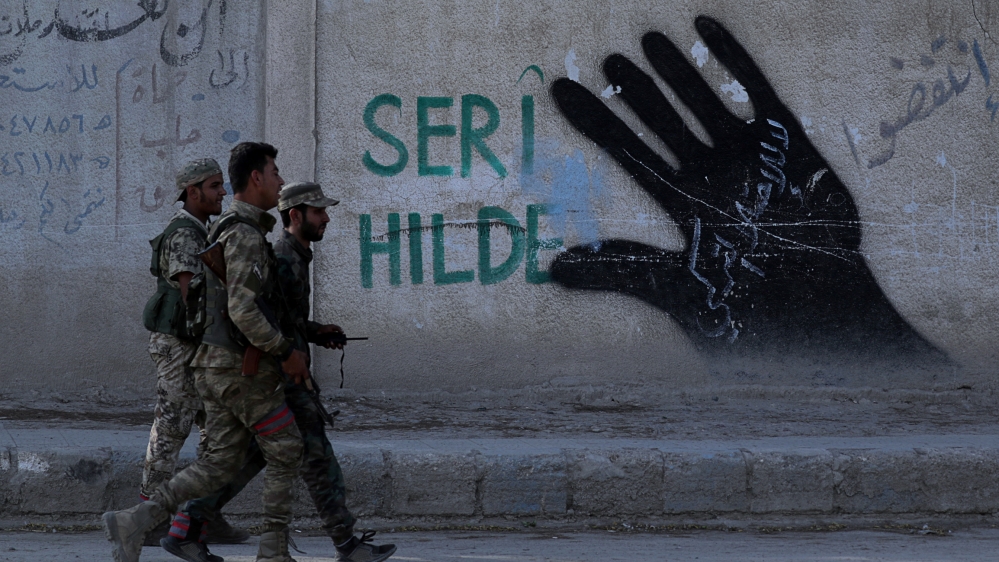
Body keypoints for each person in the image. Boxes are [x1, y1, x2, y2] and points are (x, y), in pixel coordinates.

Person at [161, 182, 396, 562]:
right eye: (318, 211)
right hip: (281, 375)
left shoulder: (295, 255)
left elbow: (285, 318)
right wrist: (290, 357)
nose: (326, 218)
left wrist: (315, 332)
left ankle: (185, 526)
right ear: (295, 215)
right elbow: (257, 318)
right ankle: (346, 544)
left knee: (250, 456)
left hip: (281, 372)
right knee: (316, 457)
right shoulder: (284, 258)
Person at [103, 142, 310, 562]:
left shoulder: (225, 227)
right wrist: (284, 350)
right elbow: (240, 308)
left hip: (215, 364)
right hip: (230, 367)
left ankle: (136, 520)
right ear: (256, 177)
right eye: (275, 172)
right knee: (284, 445)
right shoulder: (241, 233)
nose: (281, 181)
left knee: (219, 462)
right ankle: (272, 550)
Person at [138, 158, 249, 549]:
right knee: (171, 428)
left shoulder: (201, 230)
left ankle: (202, 514)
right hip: (180, 348)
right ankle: (148, 519)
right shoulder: (186, 234)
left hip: (197, 347)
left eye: (221, 184)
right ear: (193, 191)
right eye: (214, 186)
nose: (222, 192)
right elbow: (192, 296)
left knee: (217, 432)